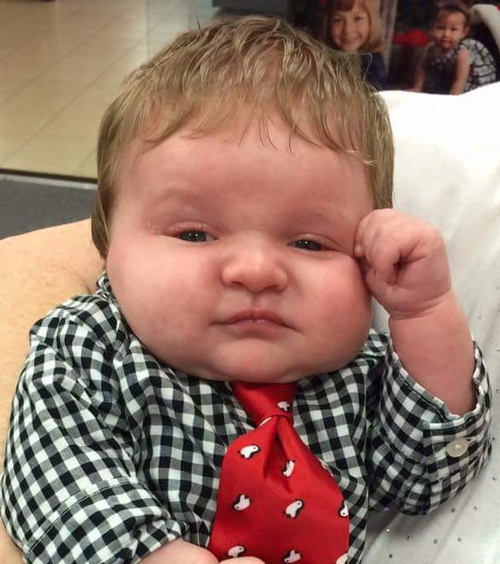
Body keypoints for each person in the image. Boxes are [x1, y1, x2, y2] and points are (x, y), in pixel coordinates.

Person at [0, 15, 491, 564]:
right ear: (106, 243)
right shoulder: (89, 348)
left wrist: (423, 312)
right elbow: (55, 481)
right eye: (194, 234)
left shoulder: (363, 370)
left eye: (309, 243)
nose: (256, 271)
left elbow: (427, 475)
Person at [413, 2, 497, 95]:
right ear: (432, 28)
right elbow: (422, 69)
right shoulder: (431, 48)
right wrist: (417, 87)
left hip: (466, 81)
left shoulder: (462, 53)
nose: (446, 34)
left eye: (453, 29)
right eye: (440, 28)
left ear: (463, 32)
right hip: (448, 76)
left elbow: (459, 81)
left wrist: (452, 99)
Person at [323, 0, 387, 89]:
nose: (347, 30)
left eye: (357, 19)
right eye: (338, 20)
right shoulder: (323, 59)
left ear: (372, 21)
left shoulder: (372, 65)